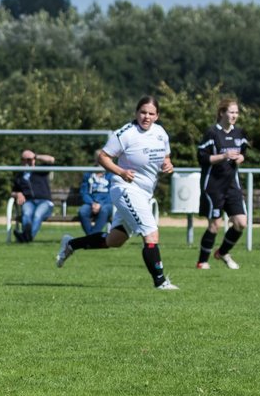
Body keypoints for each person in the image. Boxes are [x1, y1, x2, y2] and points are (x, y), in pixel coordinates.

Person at [55, 96, 178, 290]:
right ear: (136, 112)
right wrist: (121, 172)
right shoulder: (126, 133)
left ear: (157, 116)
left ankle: (71, 244)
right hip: (125, 188)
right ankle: (161, 282)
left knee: (114, 241)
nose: (146, 117)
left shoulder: (160, 133)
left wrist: (167, 163)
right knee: (150, 232)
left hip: (144, 193)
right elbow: (103, 157)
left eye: (151, 113)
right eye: (143, 112)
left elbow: (166, 156)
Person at [196, 97, 249, 270]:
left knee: (241, 222)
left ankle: (223, 252)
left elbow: (243, 152)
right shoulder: (212, 133)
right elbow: (202, 158)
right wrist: (224, 156)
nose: (234, 115)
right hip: (213, 185)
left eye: (236, 112)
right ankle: (202, 261)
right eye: (231, 112)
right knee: (215, 224)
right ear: (222, 113)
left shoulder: (239, 133)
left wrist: (240, 157)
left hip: (232, 185)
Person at [11, 150, 55, 243]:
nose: (26, 162)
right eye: (24, 160)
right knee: (26, 213)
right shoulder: (19, 176)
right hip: (29, 201)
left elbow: (51, 159)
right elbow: (12, 192)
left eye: (29, 159)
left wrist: (36, 155)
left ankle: (26, 237)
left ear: (34, 160)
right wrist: (18, 194)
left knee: (37, 215)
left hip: (45, 202)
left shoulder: (41, 170)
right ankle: (27, 237)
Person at [77, 169, 112, 235]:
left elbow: (112, 194)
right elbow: (84, 192)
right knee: (82, 211)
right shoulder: (88, 175)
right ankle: (93, 238)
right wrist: (92, 203)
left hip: (106, 203)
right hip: (90, 203)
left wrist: (100, 204)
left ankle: (91, 237)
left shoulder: (111, 175)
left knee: (104, 210)